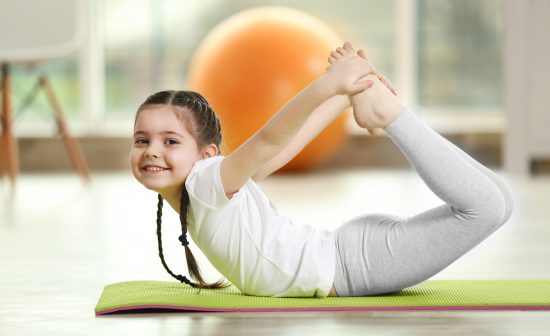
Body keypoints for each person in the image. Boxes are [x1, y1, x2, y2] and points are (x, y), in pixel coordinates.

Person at [129, 42, 513, 297]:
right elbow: (282, 152)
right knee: (498, 204)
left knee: (490, 208)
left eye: (170, 141)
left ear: (206, 155)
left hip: (352, 265)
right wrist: (343, 98)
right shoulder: (212, 192)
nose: (153, 152)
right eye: (142, 140)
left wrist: (330, 87)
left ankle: (390, 115)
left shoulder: (204, 183)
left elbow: (270, 141)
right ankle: (375, 106)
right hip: (351, 256)